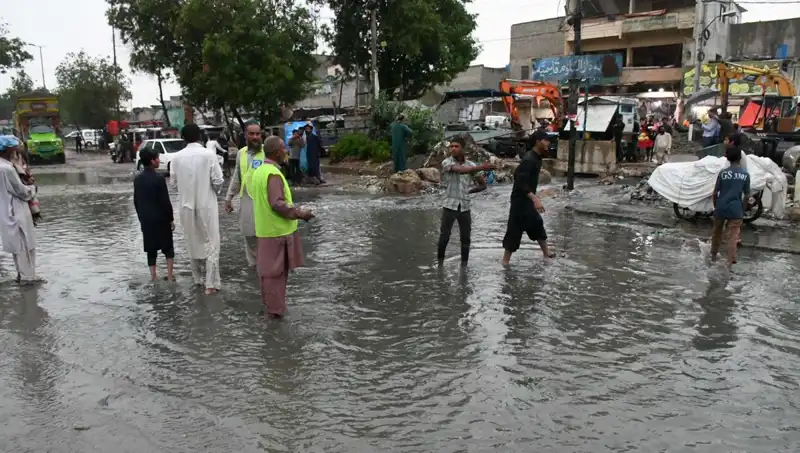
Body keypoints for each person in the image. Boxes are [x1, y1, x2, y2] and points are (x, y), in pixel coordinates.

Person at [250, 135, 314, 318]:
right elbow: (277, 203)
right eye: (284, 149)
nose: (286, 152)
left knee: (268, 276)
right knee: (276, 277)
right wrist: (301, 213)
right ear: (277, 152)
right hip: (277, 234)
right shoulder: (273, 174)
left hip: (265, 231)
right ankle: (275, 316)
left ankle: (271, 312)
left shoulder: (260, 171)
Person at [170, 124, 225, 294]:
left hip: (186, 206)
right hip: (207, 205)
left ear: (183, 138)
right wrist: (214, 191)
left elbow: (173, 184)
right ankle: (211, 284)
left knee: (192, 241)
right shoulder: (208, 155)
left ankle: (198, 280)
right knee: (211, 243)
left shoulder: (176, 158)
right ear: (200, 136)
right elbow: (218, 180)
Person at [437, 136, 493, 266]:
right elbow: (460, 171)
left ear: (463, 148)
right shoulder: (446, 162)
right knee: (444, 237)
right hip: (449, 205)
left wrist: (470, 191)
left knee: (466, 239)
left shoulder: (471, 165)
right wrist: (482, 167)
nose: (453, 149)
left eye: (456, 146)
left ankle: (464, 266)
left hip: (465, 206)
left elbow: (483, 185)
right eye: (451, 146)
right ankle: (439, 264)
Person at [502, 130, 554, 265]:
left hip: (528, 200)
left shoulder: (537, 157)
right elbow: (519, 181)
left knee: (537, 224)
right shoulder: (528, 159)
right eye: (545, 140)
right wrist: (534, 198)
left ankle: (546, 253)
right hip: (520, 201)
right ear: (538, 142)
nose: (548, 142)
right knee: (514, 229)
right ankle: (505, 262)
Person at [0, 135, 39, 284]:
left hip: (5, 211)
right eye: (13, 147)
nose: (16, 149)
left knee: (18, 248)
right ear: (7, 149)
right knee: (25, 246)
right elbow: (21, 191)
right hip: (16, 210)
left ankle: (21, 276)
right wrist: (32, 189)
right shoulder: (7, 169)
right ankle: (28, 281)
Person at [224, 122, 264, 267]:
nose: (255, 137)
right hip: (246, 201)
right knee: (249, 236)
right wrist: (228, 198)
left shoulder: (267, 152)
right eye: (251, 134)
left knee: (264, 238)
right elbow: (237, 177)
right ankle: (254, 271)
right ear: (246, 135)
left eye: (257, 134)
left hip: (264, 202)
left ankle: (265, 270)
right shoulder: (241, 153)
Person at [133, 148, 175, 281]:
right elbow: (165, 201)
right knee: (168, 247)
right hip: (161, 219)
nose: (159, 160)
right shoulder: (159, 178)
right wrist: (171, 219)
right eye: (157, 158)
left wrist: (141, 219)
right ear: (152, 161)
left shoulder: (137, 179)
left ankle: (153, 277)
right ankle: (169, 276)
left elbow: (136, 201)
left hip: (146, 219)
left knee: (151, 249)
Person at [710, 133, 750, 268]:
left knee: (717, 233)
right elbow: (747, 195)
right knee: (733, 237)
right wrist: (742, 210)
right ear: (739, 158)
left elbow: (715, 192)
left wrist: (716, 206)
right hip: (736, 208)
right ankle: (729, 263)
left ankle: (713, 256)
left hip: (721, 207)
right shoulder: (745, 175)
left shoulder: (722, 173)